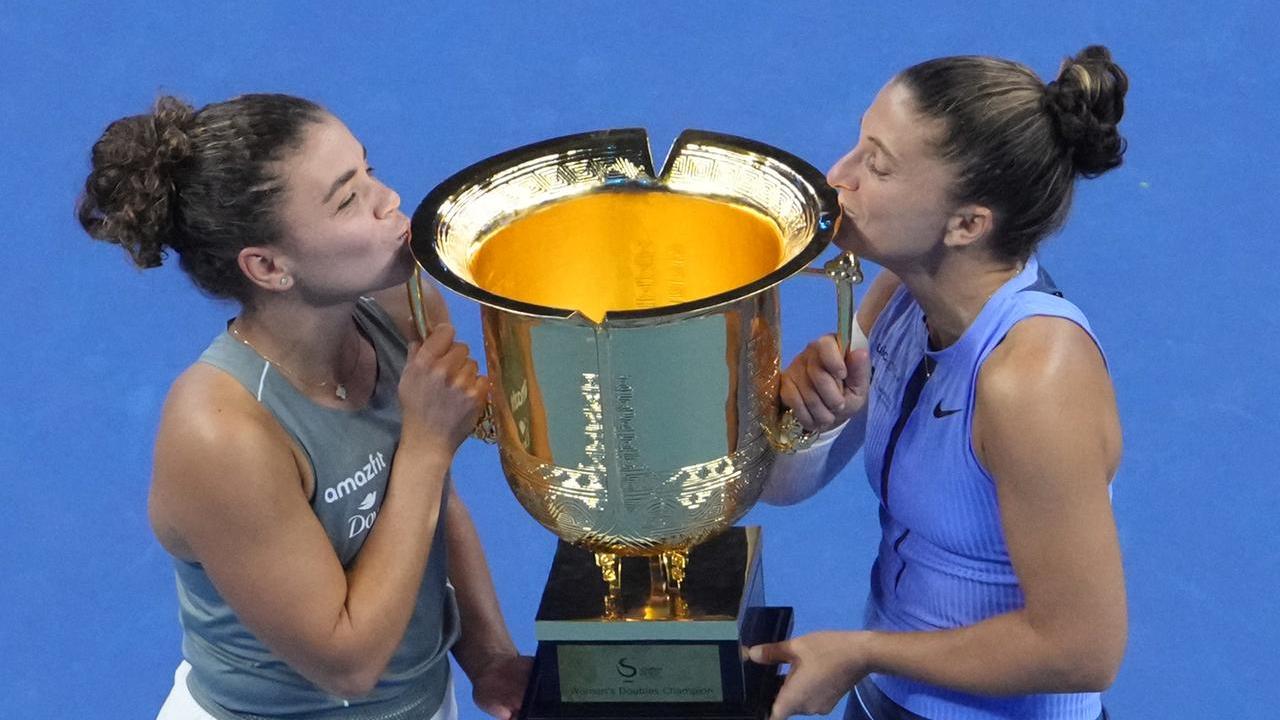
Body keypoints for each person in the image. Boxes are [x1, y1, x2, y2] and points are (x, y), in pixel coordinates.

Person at [78, 93, 531, 720]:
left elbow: (433, 506)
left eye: (368, 169)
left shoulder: (404, 303)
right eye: (347, 199)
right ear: (267, 266)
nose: (389, 199)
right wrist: (427, 446)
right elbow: (348, 662)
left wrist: (489, 659)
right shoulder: (219, 432)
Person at [749, 46, 1129, 720]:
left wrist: (866, 650)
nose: (838, 176)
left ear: (967, 224)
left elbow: (1083, 650)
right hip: (887, 698)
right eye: (858, 145)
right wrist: (802, 412)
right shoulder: (899, 294)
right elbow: (784, 486)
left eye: (878, 166)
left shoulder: (1034, 382)